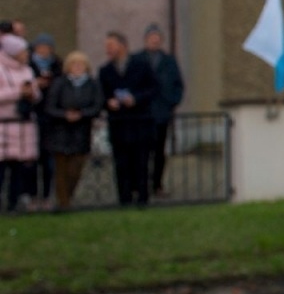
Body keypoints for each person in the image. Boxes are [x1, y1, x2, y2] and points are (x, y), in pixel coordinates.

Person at [99, 31, 157, 207]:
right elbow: (100, 95)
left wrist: (136, 99)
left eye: (111, 46)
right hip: (118, 124)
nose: (108, 50)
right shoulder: (105, 71)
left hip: (140, 122)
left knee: (141, 162)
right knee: (121, 164)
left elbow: (153, 89)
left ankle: (142, 198)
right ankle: (124, 199)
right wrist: (108, 103)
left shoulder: (142, 65)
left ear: (122, 46)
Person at [42, 51, 103, 211]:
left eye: (81, 65)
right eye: (74, 65)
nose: (77, 68)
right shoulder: (59, 84)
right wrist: (65, 115)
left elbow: (97, 105)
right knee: (61, 170)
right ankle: (64, 203)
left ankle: (67, 197)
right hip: (60, 132)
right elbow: (50, 107)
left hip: (81, 132)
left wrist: (82, 114)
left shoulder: (92, 84)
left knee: (75, 169)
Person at [141, 25, 185, 197]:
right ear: (146, 39)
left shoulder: (169, 61)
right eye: (152, 37)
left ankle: (157, 184)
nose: (154, 40)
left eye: (157, 38)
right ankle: (141, 184)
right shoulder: (138, 59)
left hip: (161, 113)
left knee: (159, 151)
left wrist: (171, 102)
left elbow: (178, 85)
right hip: (142, 114)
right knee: (142, 151)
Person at [0, 34, 40, 212]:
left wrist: (32, 93)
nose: (26, 55)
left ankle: (13, 204)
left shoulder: (27, 70)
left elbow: (36, 94)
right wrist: (18, 92)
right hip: (4, 126)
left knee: (19, 168)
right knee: (2, 169)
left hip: (23, 126)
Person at [29, 33, 63, 205]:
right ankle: (33, 194)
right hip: (33, 115)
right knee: (32, 159)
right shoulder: (28, 66)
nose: (44, 50)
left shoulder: (57, 66)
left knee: (48, 159)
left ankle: (47, 195)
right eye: (41, 47)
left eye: (47, 47)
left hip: (51, 118)